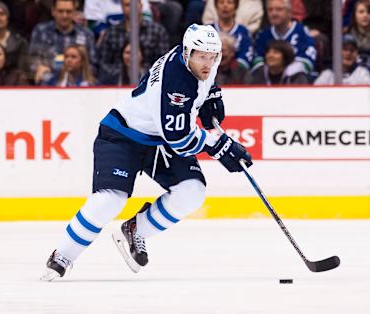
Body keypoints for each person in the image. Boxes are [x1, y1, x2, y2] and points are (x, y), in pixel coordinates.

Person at [40, 24, 253, 280]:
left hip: (159, 138)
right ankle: (63, 255)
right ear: (187, 53)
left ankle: (136, 229)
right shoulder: (175, 82)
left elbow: (202, 86)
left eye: (212, 56)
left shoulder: (200, 55)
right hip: (123, 134)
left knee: (192, 192)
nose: (208, 63)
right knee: (110, 199)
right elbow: (178, 137)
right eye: (202, 57)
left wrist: (210, 95)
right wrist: (218, 146)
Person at [97, 0, 169, 85]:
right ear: (122, 8)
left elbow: (163, 62)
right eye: (127, 5)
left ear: (141, 6)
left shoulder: (157, 31)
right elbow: (104, 63)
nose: (131, 8)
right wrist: (123, 72)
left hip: (151, 83)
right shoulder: (111, 32)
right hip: (116, 84)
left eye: (134, 4)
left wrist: (143, 71)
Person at [29, 0, 97, 84]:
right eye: (60, 11)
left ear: (75, 12)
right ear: (53, 11)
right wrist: (40, 68)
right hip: (47, 82)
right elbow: (33, 59)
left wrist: (76, 71)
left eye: (68, 11)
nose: (64, 15)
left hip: (78, 84)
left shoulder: (86, 34)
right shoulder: (41, 31)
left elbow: (93, 65)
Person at [252, 0, 317, 76]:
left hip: (296, 82)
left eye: (279, 9)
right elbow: (257, 61)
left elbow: (307, 62)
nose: (274, 13)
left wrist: (282, 71)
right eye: (270, 10)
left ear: (289, 12)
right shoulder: (263, 34)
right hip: (269, 81)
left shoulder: (302, 32)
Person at [209, 0, 253, 70]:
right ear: (216, 6)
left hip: (235, 76)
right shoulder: (207, 30)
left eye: (230, 2)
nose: (225, 5)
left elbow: (245, 58)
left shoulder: (243, 32)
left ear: (236, 7)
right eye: (221, 2)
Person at [245, 39, 309, 85]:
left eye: (276, 52)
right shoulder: (259, 73)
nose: (270, 55)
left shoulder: (296, 75)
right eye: (268, 52)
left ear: (286, 56)